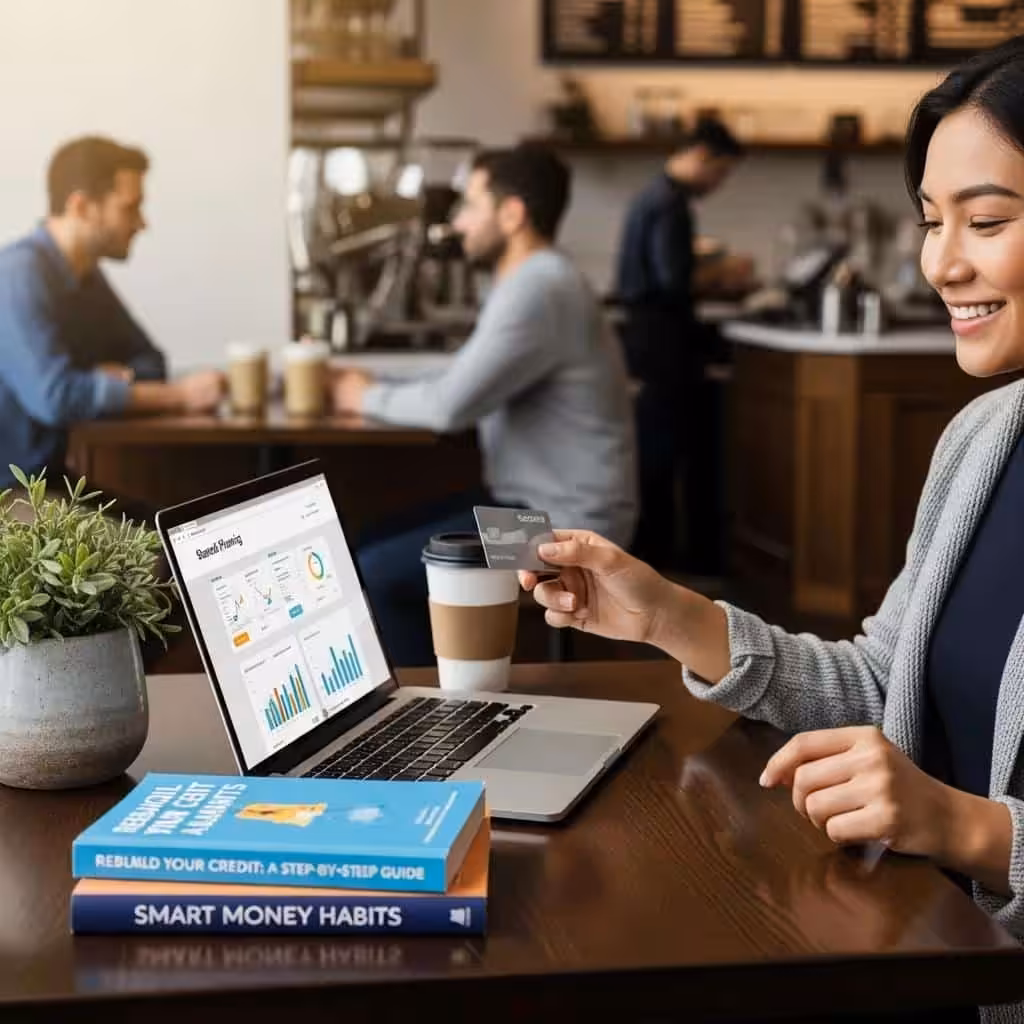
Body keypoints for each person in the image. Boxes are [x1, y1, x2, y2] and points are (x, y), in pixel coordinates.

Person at [525, 37, 1024, 1024]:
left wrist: (970, 829)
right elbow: (885, 684)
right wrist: (671, 615)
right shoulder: (981, 440)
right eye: (931, 221)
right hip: (919, 950)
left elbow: (954, 812)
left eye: (986, 219)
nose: (940, 261)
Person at [331, 143, 637, 667]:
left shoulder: (538, 287)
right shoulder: (535, 279)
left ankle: (428, 709)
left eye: (470, 204)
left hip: (561, 525)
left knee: (378, 567)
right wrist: (373, 379)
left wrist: (361, 395)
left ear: (512, 213)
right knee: (366, 538)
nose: (458, 221)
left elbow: (450, 406)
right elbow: (462, 372)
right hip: (528, 506)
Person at [0, 135, 224, 490]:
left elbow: (151, 361)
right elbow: (57, 397)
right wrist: (179, 396)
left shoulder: (87, 277)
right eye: (129, 207)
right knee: (150, 544)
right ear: (81, 207)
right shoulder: (16, 274)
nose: (142, 223)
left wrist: (92, 381)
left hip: (58, 483)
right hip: (12, 498)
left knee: (168, 525)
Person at [614, 116, 754, 574]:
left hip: (645, 337)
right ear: (701, 156)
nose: (718, 184)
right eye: (721, 172)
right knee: (672, 453)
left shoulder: (649, 197)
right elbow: (674, 279)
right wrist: (724, 272)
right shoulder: (670, 204)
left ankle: (657, 559)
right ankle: (676, 562)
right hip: (663, 340)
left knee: (658, 448)